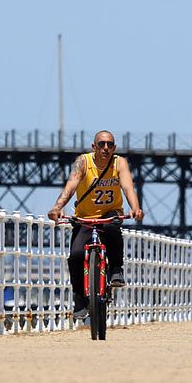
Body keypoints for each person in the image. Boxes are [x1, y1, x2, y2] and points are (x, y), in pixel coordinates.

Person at [49, 130, 144, 319]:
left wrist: (135, 208)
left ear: (114, 147)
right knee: (76, 255)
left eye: (110, 144)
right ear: (94, 147)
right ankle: (79, 298)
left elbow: (127, 187)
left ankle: (116, 270)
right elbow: (71, 185)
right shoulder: (82, 162)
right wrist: (57, 207)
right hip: (85, 217)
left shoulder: (119, 163)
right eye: (101, 144)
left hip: (110, 214)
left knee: (111, 228)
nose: (106, 148)